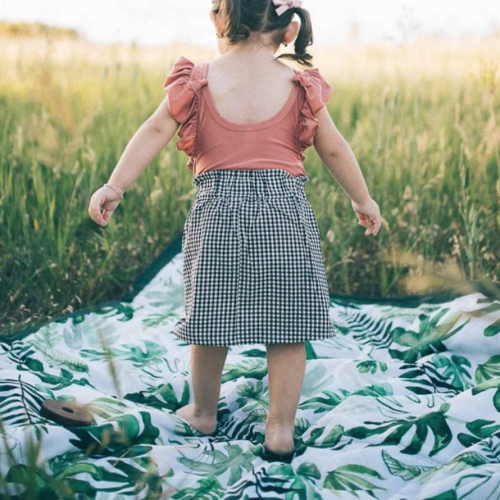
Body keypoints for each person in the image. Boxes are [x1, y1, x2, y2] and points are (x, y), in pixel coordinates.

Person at [88, 0, 382, 463]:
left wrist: (114, 185)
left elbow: (153, 130)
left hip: (217, 216)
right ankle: (280, 428)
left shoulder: (198, 80)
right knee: (289, 326)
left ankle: (203, 410)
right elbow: (336, 150)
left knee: (210, 319)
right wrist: (362, 200)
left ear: (220, 19)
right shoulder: (301, 84)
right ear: (288, 30)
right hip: (285, 217)